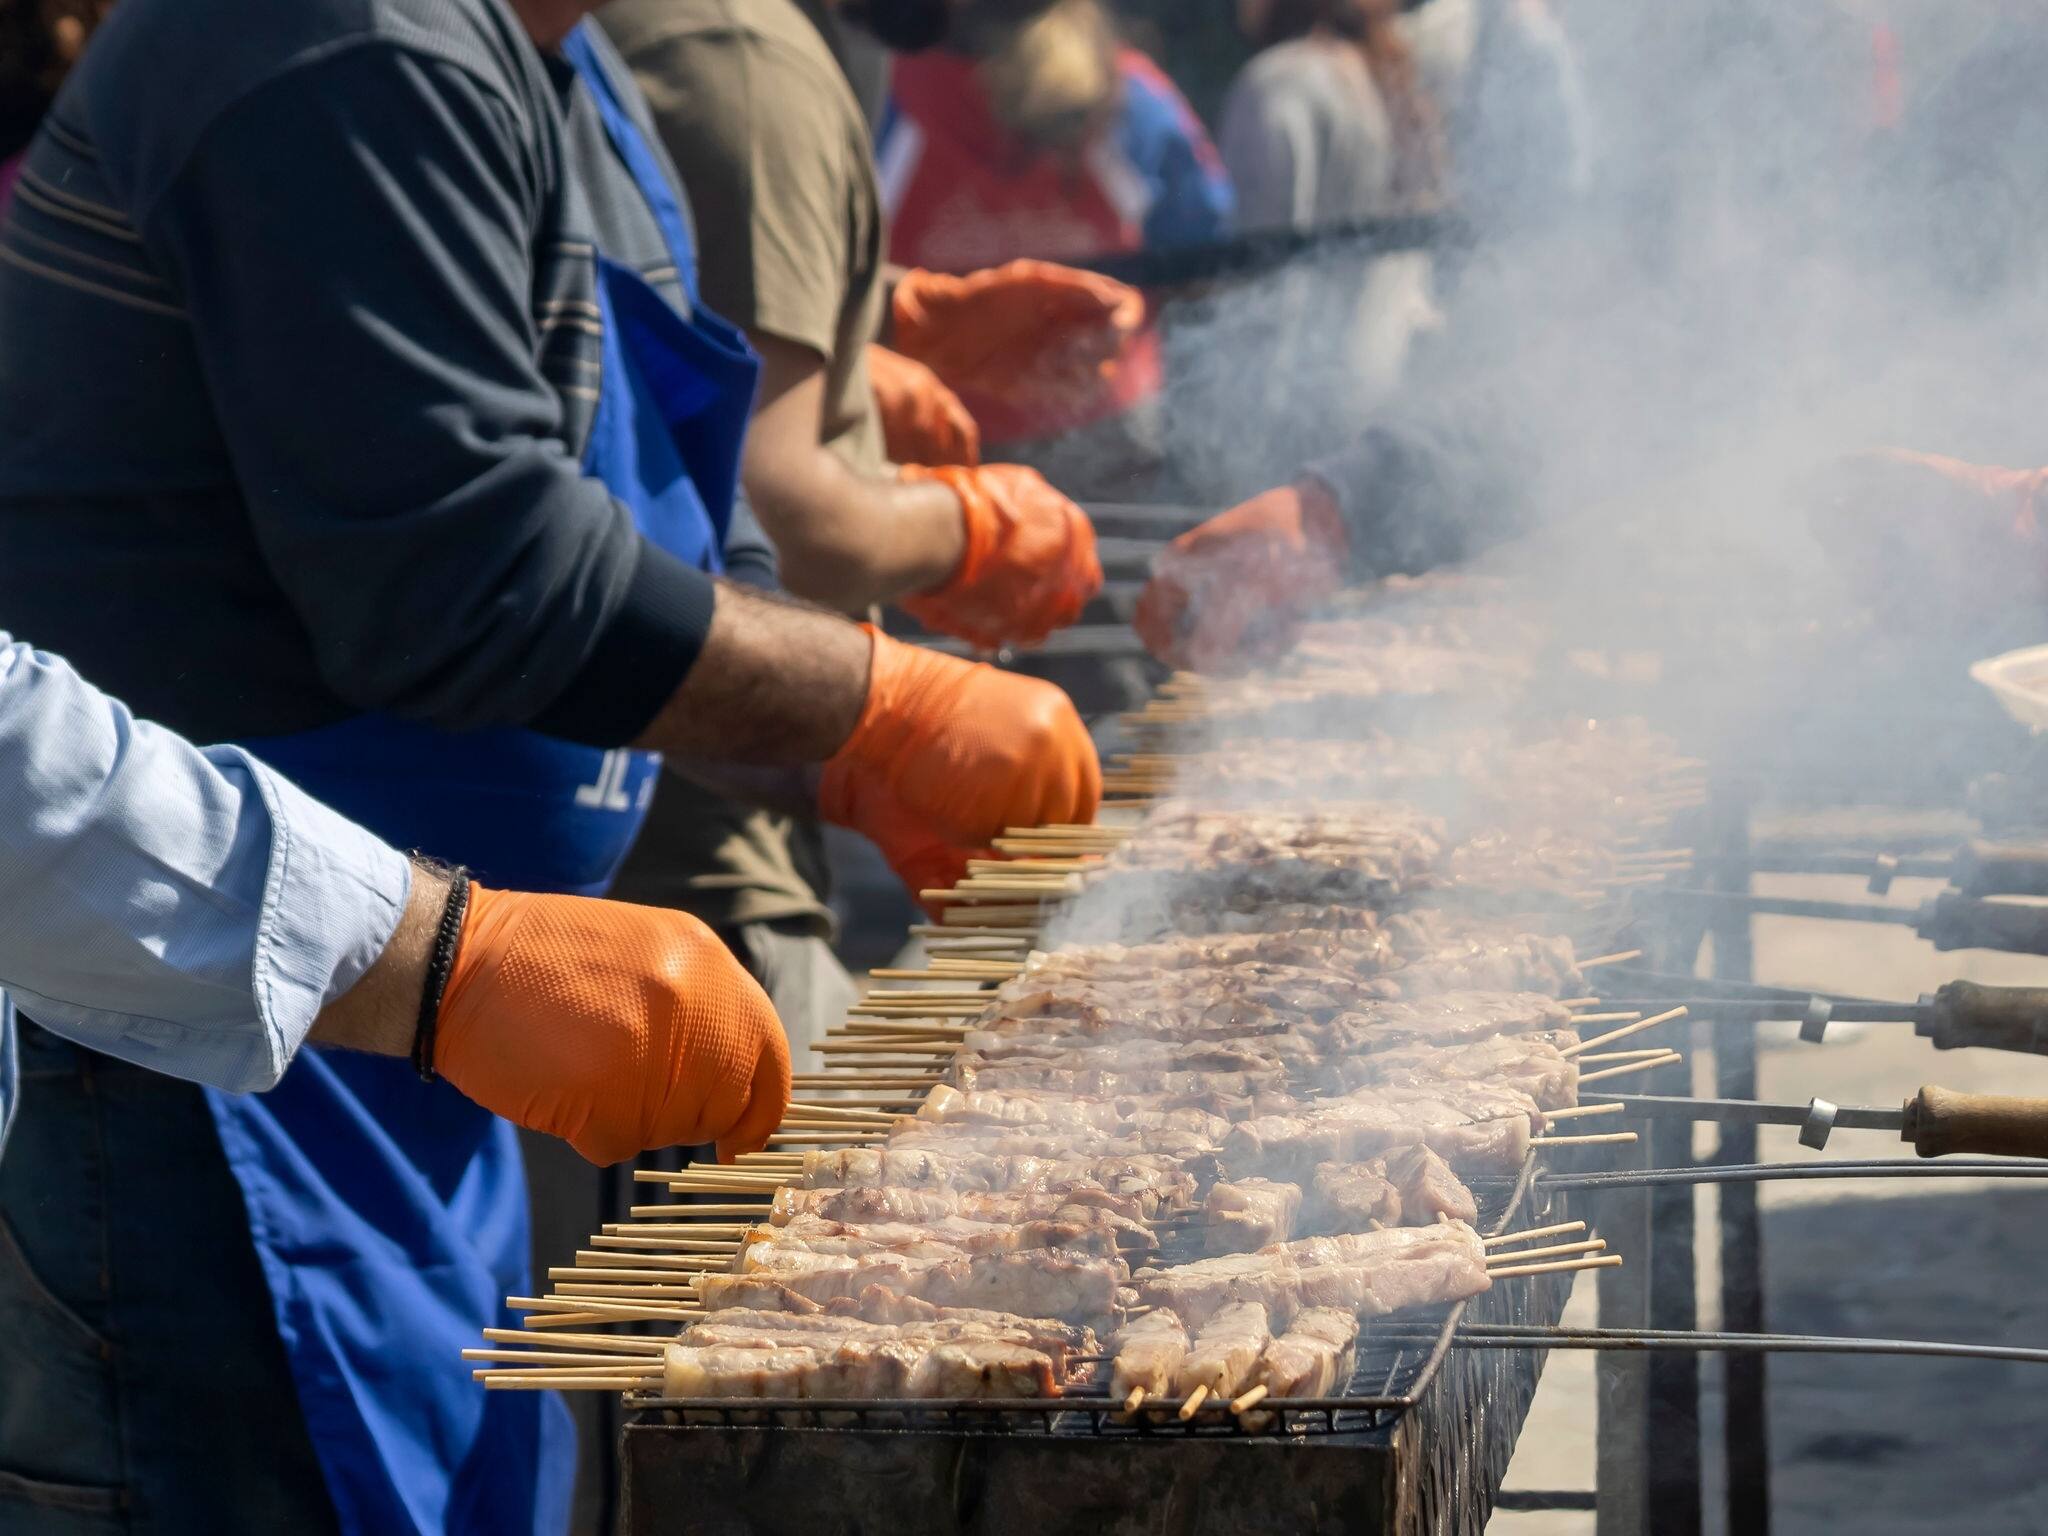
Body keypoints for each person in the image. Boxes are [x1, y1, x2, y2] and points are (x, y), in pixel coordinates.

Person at [0, 0, 1100, 1530]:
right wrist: (872, 705)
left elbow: (636, 545)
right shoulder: (334, 35)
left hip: (423, 1033)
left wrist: (821, 767)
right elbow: (464, 571)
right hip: (205, 1041)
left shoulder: (561, 70)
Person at [595, 0, 1117, 1040]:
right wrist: (966, 527)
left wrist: (878, 315)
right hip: (686, 863)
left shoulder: (752, 44)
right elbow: (779, 515)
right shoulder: (748, 64)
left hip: (702, 790)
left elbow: (666, 336)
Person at [879, 0, 1233, 491]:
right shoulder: (1133, 93)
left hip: (941, 444)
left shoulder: (896, 93)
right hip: (1098, 432)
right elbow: (1204, 248)